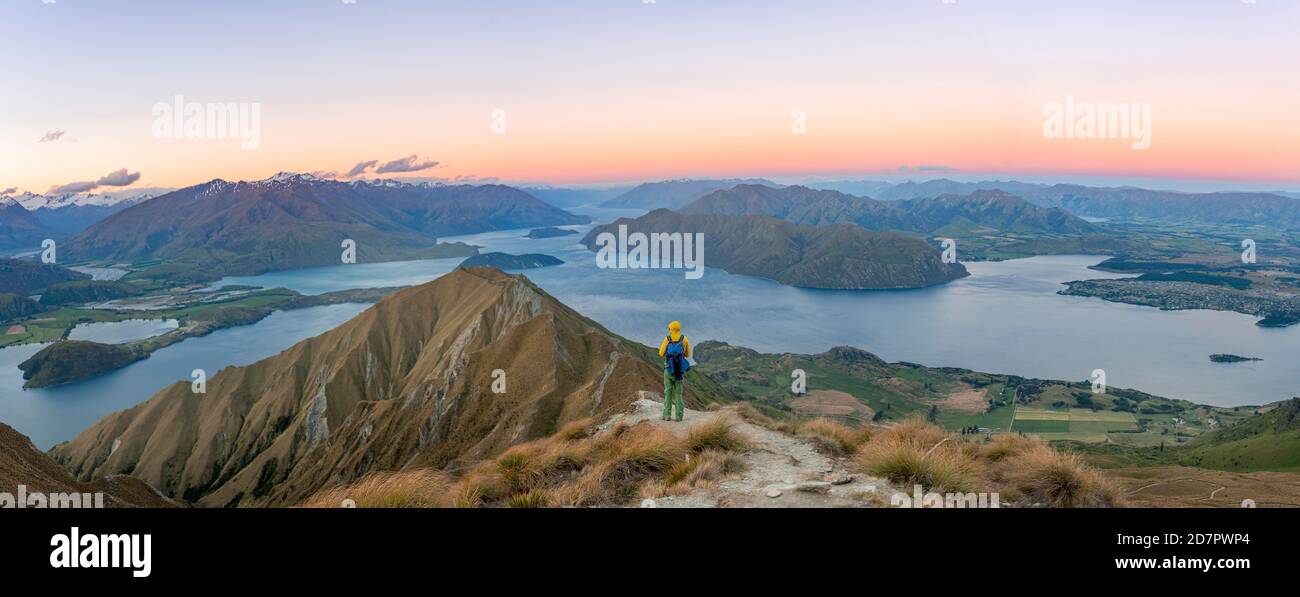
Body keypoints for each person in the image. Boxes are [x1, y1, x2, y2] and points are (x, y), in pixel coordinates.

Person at [658, 320, 691, 422]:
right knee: (678, 394)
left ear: (670, 329)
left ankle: (667, 415)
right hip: (679, 371)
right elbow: (688, 354)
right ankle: (679, 416)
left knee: (668, 393)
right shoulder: (684, 339)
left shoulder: (667, 339)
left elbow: (661, 353)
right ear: (679, 329)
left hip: (668, 369)